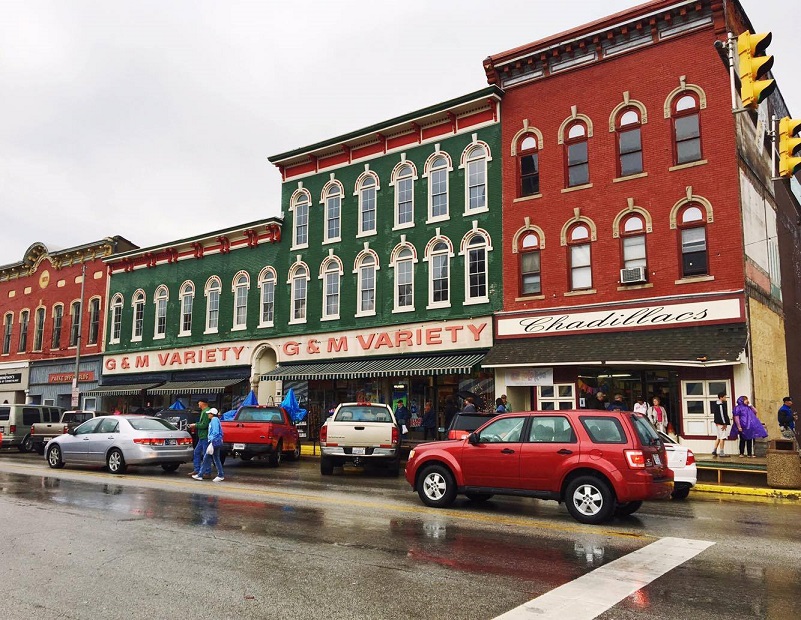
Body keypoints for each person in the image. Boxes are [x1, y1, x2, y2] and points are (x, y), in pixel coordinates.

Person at [193, 408, 224, 482]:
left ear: (212, 414)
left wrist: (212, 439)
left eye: (209, 413)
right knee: (215, 458)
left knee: (207, 458)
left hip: (214, 441)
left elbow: (216, 431)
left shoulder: (214, 420)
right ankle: (220, 475)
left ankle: (200, 475)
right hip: (216, 441)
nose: (208, 415)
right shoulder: (215, 420)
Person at [189, 398, 212, 477]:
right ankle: (197, 469)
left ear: (202, 403)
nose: (198, 404)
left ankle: (207, 472)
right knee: (197, 452)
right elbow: (202, 423)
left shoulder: (206, 412)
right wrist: (196, 424)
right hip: (202, 436)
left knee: (206, 454)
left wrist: (195, 425)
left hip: (205, 436)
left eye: (199, 402)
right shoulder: (204, 411)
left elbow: (204, 425)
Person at [711, 392, 730, 457]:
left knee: (718, 437)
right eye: (724, 397)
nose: (725, 398)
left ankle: (714, 450)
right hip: (721, 424)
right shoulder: (720, 405)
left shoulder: (716, 404)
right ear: (721, 397)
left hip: (717, 423)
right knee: (722, 437)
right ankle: (721, 452)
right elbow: (722, 415)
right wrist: (724, 423)